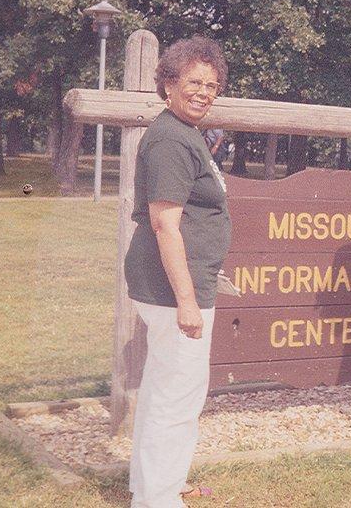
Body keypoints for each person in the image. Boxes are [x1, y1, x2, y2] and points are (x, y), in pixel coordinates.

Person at [123, 36, 231, 507]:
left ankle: (152, 488)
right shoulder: (170, 138)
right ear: (168, 84)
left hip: (177, 284)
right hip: (173, 292)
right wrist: (188, 300)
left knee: (163, 390)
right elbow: (165, 223)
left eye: (212, 84)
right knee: (178, 397)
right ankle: (159, 500)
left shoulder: (184, 133)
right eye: (193, 81)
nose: (204, 92)